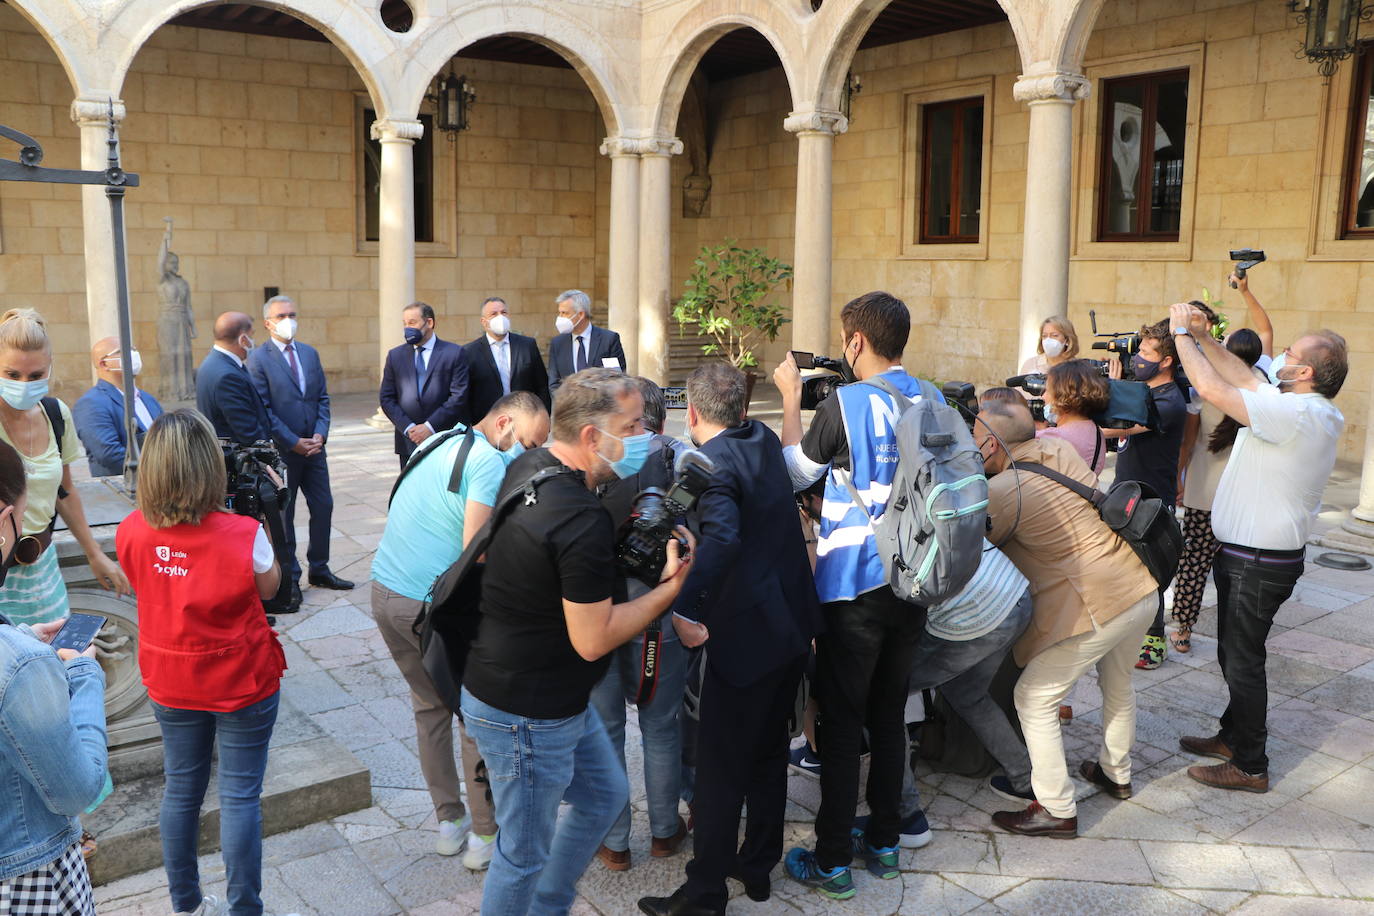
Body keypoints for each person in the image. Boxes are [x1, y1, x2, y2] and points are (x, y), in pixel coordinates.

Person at [460, 368, 694, 916]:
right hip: (526, 709)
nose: (646, 437)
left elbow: (557, 570)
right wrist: (671, 590)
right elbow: (594, 640)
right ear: (592, 436)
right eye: (633, 425)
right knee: (520, 854)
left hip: (553, 693)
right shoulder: (578, 516)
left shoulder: (532, 463)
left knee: (604, 796)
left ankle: (550, 904)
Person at [774, 291, 941, 901]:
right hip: (917, 577)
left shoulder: (845, 402)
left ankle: (834, 860)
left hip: (855, 583)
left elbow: (798, 473)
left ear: (854, 342)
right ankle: (887, 844)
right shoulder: (934, 395)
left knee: (842, 725)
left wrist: (792, 397)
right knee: (890, 715)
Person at [638, 364, 822, 916]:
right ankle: (757, 866)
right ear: (742, 409)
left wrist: (686, 608)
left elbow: (722, 535)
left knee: (718, 772)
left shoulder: (711, 466)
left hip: (746, 638)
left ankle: (704, 896)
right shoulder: (760, 436)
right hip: (790, 624)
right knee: (767, 753)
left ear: (690, 413)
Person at [115, 409, 294, 916]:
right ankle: (243, 908)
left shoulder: (131, 530)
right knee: (239, 795)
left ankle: (186, 902)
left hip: (170, 677)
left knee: (182, 788)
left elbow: (142, 579)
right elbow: (271, 588)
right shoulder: (241, 532)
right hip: (240, 679)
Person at [1168, 304, 1347, 794]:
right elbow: (1245, 376)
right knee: (1234, 653)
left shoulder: (1295, 412)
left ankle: (1250, 764)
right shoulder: (1306, 408)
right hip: (1252, 557)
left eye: (1288, 352)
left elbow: (1211, 389)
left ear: (1305, 371)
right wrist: (1206, 339)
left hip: (1258, 561)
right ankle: (1233, 736)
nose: (1280, 355)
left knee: (1242, 660)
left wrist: (1181, 333)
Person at [370, 391, 549, 868]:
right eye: (529, 442)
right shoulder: (489, 461)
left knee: (429, 709)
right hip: (429, 607)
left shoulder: (443, 438)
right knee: (475, 713)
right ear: (505, 423)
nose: (529, 455)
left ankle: (449, 824)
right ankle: (485, 837)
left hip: (385, 591)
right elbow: (477, 551)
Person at [976, 399, 1157, 839]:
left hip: (1098, 604)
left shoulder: (1004, 491)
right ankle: (1116, 773)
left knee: (1034, 697)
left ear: (990, 442)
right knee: (1117, 684)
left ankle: (1056, 808)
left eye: (974, 434)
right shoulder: (1059, 452)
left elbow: (971, 547)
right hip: (1138, 586)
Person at [0, 439, 108, 916]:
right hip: (26, 880)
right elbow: (77, 788)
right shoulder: (20, 666)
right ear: (4, 522)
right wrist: (82, 671)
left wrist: (21, 638)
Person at [591, 378, 691, 873]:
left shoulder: (594, 460)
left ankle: (613, 843)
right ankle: (666, 833)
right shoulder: (675, 459)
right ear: (661, 421)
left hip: (595, 613)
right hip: (656, 614)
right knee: (660, 727)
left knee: (608, 730)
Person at [0, 308, 131, 626]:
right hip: (2, 576)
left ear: (49, 369)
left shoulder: (56, 414)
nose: (24, 384)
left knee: (56, 659)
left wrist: (93, 552)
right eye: (12, 375)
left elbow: (65, 491)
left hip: (43, 569)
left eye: (35, 376)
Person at [893, 543, 1035, 822]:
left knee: (883, 695)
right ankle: (1026, 779)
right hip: (1014, 592)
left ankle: (904, 814)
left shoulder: (868, 523)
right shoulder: (914, 500)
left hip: (976, 615)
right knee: (967, 693)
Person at [247, 296, 352, 593]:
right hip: (284, 453)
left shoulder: (309, 353)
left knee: (324, 506)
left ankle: (320, 569)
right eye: (281, 315)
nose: (288, 320)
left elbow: (321, 399)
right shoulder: (258, 359)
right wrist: (292, 442)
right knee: (286, 515)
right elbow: (264, 410)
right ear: (268, 322)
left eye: (292, 314)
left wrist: (321, 433)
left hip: (315, 450)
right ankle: (291, 576)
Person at [1171, 329, 1266, 654]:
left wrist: (1179, 477)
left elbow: (1189, 441)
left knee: (1193, 562)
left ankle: (1183, 628)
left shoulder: (1206, 386)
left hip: (1204, 489)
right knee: (1239, 571)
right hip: (1244, 495)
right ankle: (1238, 634)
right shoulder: (1264, 389)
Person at [1105, 318, 1187, 670]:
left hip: (1151, 500)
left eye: (1145, 352)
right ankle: (1122, 631)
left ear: (1166, 360)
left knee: (1150, 573)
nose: (1138, 358)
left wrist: (1105, 391)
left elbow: (1117, 426)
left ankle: (1154, 641)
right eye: (1138, 350)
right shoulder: (1147, 392)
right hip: (1125, 490)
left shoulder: (1169, 402)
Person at [379, 301, 471, 467]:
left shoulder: (454, 353)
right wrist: (409, 428)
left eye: (412, 323)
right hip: (408, 441)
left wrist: (429, 427)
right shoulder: (395, 356)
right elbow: (386, 398)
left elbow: (458, 396)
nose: (407, 328)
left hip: (444, 438)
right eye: (405, 324)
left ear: (429, 322)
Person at [73, 336, 164, 477]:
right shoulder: (91, 404)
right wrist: (160, 472)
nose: (133, 353)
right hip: (123, 492)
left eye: (133, 348)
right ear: (104, 364)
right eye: (123, 350)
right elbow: (109, 455)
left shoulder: (148, 399)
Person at [463, 296, 552, 420]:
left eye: (503, 312)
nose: (500, 317)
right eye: (494, 314)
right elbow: (466, 394)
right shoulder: (469, 352)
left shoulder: (527, 345)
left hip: (524, 419)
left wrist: (543, 417)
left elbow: (541, 385)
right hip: (487, 422)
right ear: (484, 322)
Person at [196, 311, 273, 446]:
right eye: (251, 335)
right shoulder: (228, 376)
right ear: (243, 340)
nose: (253, 341)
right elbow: (248, 432)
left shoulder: (212, 363)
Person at [1038, 359, 1110, 476]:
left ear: (1063, 395)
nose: (1043, 396)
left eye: (1047, 390)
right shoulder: (1097, 433)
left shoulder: (1050, 438)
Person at [547, 290, 627, 392]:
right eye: (560, 313)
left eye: (565, 313)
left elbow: (617, 379)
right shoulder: (558, 343)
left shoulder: (609, 340)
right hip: (569, 406)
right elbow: (554, 383)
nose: (560, 317)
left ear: (580, 314)